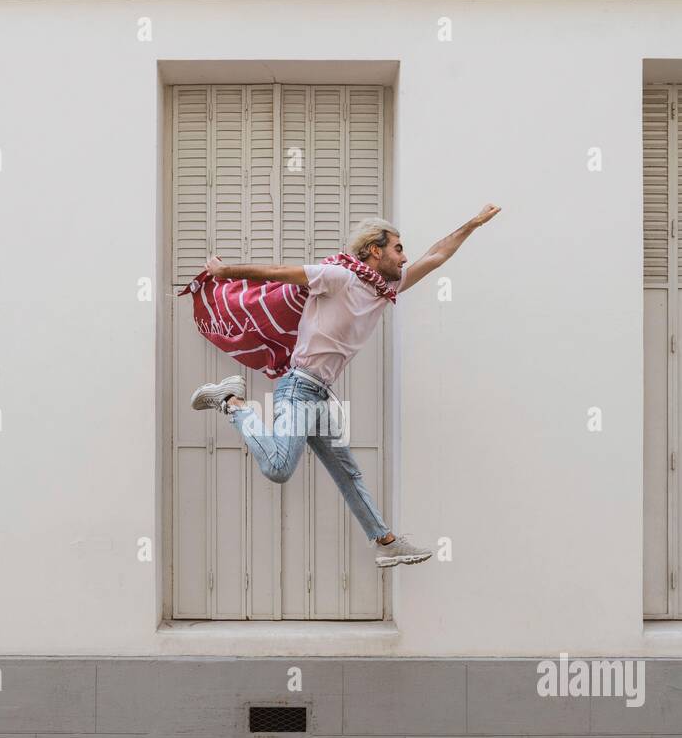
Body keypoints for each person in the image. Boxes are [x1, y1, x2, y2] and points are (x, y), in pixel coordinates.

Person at [190, 205, 501, 568]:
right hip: (299, 388)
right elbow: (278, 273)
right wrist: (226, 272)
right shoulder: (338, 276)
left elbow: (436, 256)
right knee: (278, 468)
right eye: (398, 248)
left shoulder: (384, 288)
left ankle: (385, 542)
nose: (405, 257)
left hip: (319, 395)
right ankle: (231, 401)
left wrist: (474, 224)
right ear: (374, 249)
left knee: (348, 473)